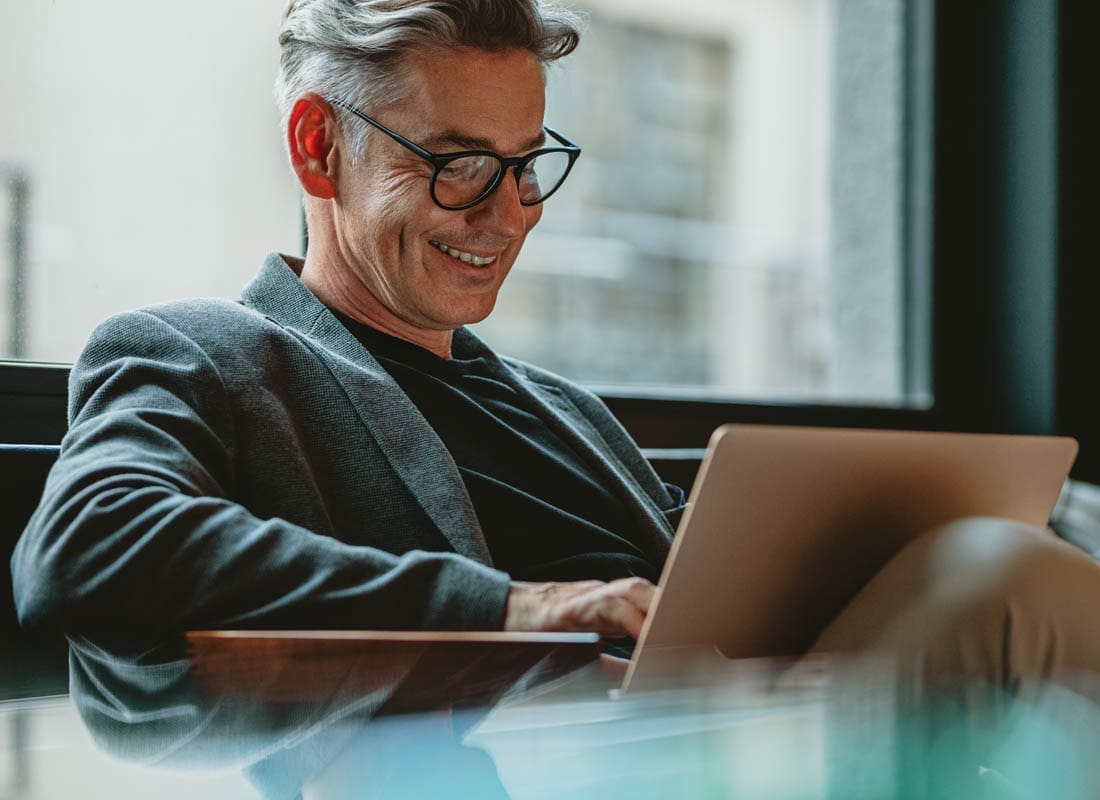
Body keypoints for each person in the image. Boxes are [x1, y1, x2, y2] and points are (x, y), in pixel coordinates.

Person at [10, 0, 1100, 715]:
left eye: (528, 165)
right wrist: (515, 608)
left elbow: (708, 581)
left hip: (744, 725)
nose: (507, 215)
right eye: (457, 165)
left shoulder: (563, 409)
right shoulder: (202, 353)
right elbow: (88, 544)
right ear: (315, 144)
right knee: (996, 581)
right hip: (539, 763)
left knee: (1023, 550)